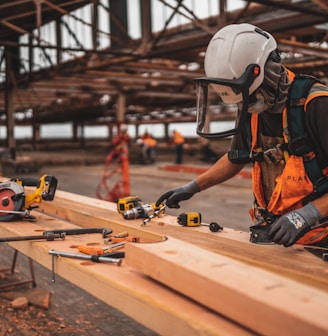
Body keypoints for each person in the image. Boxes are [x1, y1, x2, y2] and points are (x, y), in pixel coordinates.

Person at [156, 23, 328, 247]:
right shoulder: (252, 106)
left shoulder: (317, 105)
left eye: (251, 95)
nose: (247, 105)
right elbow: (236, 158)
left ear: (268, 73)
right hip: (279, 235)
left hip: (320, 237)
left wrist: (308, 214)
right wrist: (193, 187)